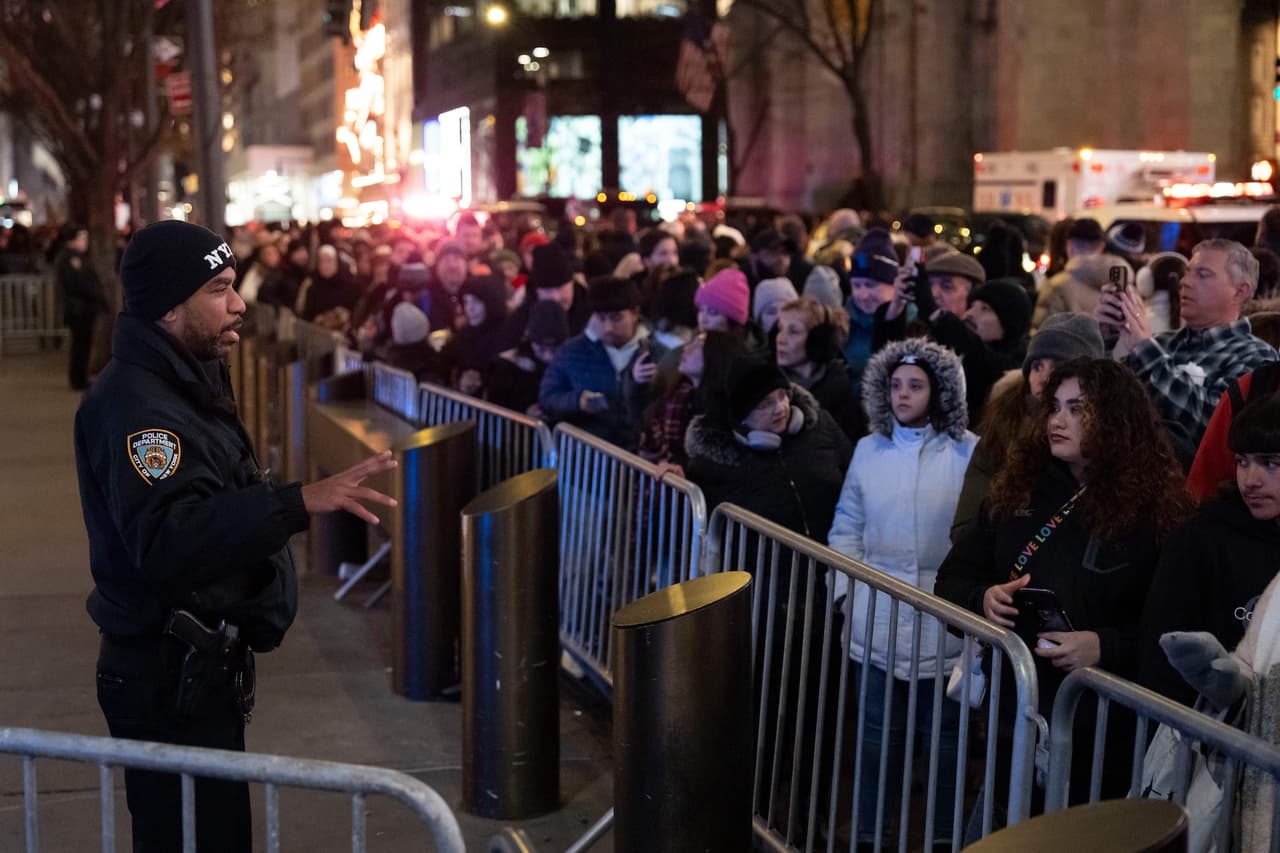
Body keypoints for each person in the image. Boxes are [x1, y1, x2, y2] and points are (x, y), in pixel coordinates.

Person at [74, 220, 398, 852]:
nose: (239, 302)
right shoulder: (141, 410)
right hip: (166, 680)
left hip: (194, 674)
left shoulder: (183, 377)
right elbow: (171, 540)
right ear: (169, 305)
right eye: (218, 288)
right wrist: (295, 503)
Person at [934, 358, 1193, 838]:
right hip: (1019, 716)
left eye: (1077, 409)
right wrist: (982, 599)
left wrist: (1106, 646)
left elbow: (1175, 629)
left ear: (1115, 418)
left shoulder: (1158, 509)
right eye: (1054, 406)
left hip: (1108, 732)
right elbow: (952, 578)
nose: (1057, 419)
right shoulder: (1018, 489)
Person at [827, 338, 976, 848]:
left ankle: (941, 835)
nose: (903, 395)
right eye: (894, 385)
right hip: (878, 618)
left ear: (940, 391)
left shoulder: (967, 452)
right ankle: (870, 832)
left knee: (947, 740)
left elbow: (978, 533)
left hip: (947, 622)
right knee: (875, 737)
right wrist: (847, 593)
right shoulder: (869, 450)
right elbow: (847, 525)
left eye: (915, 385)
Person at [1140, 394, 1280, 708]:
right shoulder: (1202, 535)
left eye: (1270, 463)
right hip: (1203, 736)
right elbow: (1161, 650)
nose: (1250, 480)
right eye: (1243, 461)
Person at [1096, 238, 1278, 454]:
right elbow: (1103, 402)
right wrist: (1103, 339)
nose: (1185, 282)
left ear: (1240, 291)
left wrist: (1146, 350)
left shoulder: (1257, 356)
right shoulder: (1163, 343)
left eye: (1203, 274)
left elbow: (1213, 424)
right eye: (1188, 272)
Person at [950, 313, 1104, 542]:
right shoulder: (1001, 430)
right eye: (1037, 366)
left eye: (1059, 367)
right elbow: (965, 530)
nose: (1043, 378)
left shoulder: (1108, 440)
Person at [537, 276, 664, 451]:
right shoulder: (572, 352)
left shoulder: (658, 353)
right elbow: (548, 397)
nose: (608, 327)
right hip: (587, 454)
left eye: (616, 318)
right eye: (601, 318)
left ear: (635, 313)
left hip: (639, 456)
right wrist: (576, 401)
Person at [638, 330, 742, 471]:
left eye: (698, 344)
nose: (686, 348)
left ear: (716, 355)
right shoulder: (679, 395)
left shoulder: (723, 413)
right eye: (690, 342)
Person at [775, 296, 865, 440]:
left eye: (793, 331)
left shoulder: (842, 393)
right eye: (780, 329)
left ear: (819, 339)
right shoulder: (770, 387)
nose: (780, 339)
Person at [487, 300, 570, 416]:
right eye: (541, 349)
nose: (548, 357)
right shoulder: (508, 366)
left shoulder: (573, 361)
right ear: (531, 341)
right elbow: (495, 410)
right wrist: (523, 414)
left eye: (554, 350)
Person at [54, 226, 109, 390]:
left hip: (82, 308)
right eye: (82, 239)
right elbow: (78, 284)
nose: (85, 242)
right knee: (80, 345)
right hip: (79, 309)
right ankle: (78, 379)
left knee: (83, 344)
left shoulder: (76, 257)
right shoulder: (69, 259)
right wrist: (96, 297)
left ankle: (80, 377)